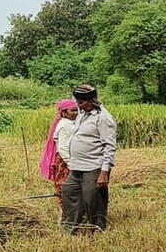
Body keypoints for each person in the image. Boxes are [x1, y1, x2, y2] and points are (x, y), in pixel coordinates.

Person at [61, 86, 117, 233]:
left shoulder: (103, 118)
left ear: (92, 100)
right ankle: (70, 228)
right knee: (69, 191)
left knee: (93, 199)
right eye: (77, 102)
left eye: (81, 102)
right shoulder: (82, 113)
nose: (78, 106)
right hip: (76, 166)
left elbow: (109, 146)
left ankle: (97, 229)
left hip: (94, 166)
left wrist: (104, 173)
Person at [39, 99, 79, 202]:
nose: (75, 113)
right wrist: (71, 164)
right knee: (65, 186)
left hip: (70, 158)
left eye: (76, 110)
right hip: (65, 160)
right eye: (72, 111)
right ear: (64, 112)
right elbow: (63, 148)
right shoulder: (64, 126)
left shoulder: (71, 123)